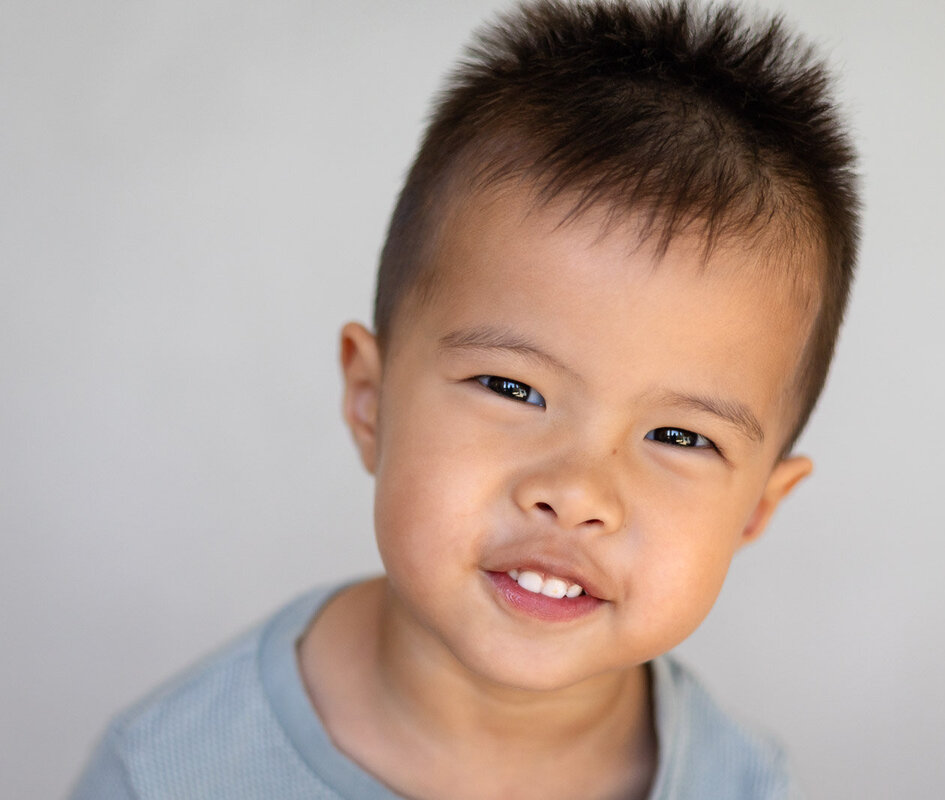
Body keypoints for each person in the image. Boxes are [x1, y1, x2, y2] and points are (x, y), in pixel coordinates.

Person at [69, 1, 859, 797]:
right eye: (513, 387)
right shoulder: (171, 771)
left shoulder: (743, 785)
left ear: (758, 505)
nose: (579, 493)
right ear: (370, 400)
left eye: (681, 437)